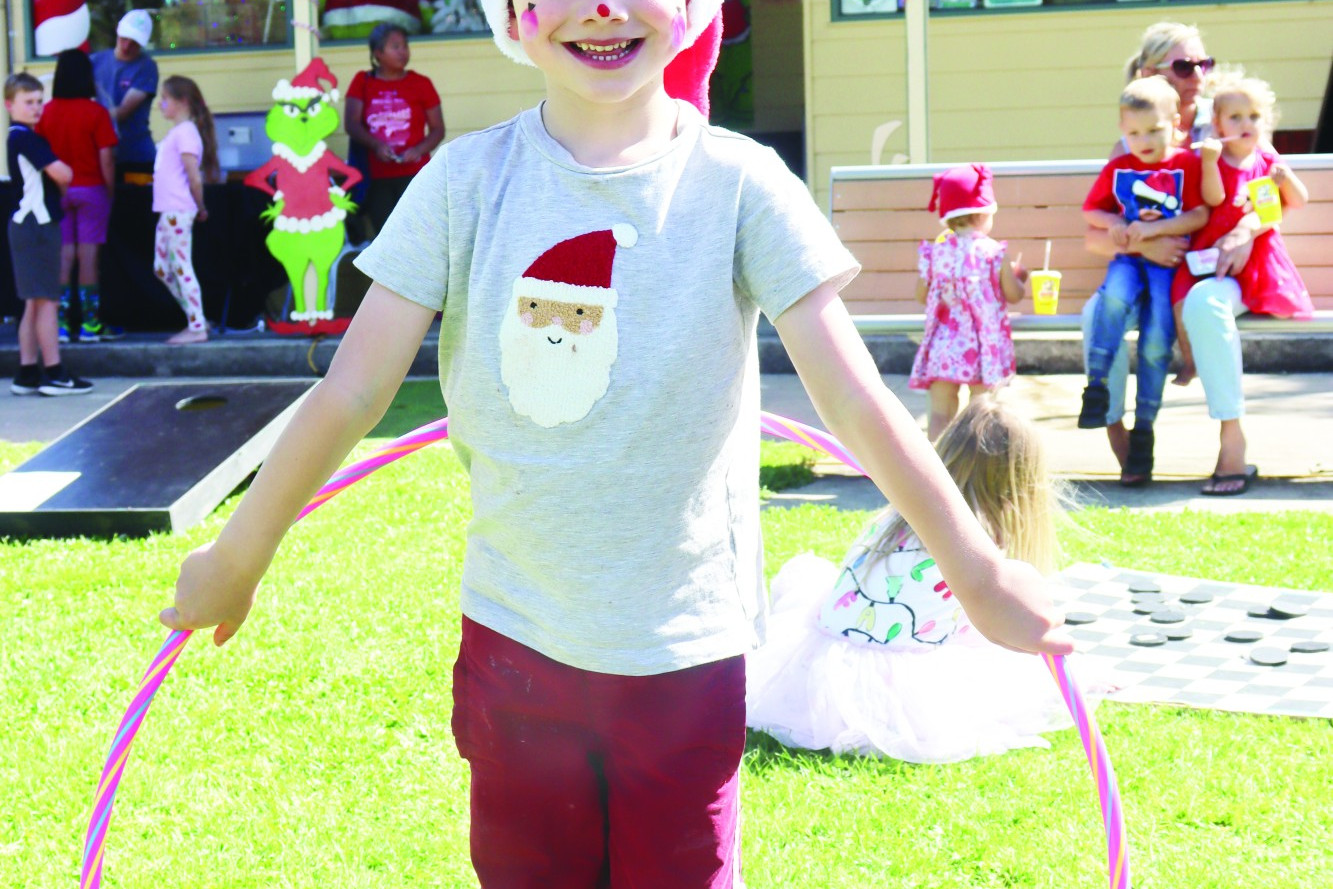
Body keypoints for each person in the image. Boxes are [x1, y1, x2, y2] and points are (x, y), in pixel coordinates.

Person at [159, 0, 1073, 884]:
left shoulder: (742, 183)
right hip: (517, 644)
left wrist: (979, 571)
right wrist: (241, 553)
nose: (600, 7)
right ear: (512, 13)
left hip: (684, 653)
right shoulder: (463, 183)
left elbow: (854, 398)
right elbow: (351, 389)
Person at [747, 399, 1091, 764]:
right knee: (1009, 658)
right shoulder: (978, 541)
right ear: (1021, 480)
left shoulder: (902, 512)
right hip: (893, 683)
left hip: (824, 660)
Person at [1083, 21, 1215, 474]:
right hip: (1142, 265)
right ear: (1148, 74)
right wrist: (1145, 246)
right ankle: (1119, 436)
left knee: (1188, 316)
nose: (1196, 74)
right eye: (1183, 65)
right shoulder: (1130, 144)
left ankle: (1195, 442)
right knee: (1098, 313)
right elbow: (1096, 228)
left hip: (1202, 268)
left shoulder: (1225, 122)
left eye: (1203, 63)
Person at [1174, 72, 1312, 496]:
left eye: (1254, 116)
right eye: (1235, 116)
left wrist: (1250, 227)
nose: (1246, 123)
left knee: (1204, 303)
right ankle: (1231, 431)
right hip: (1213, 271)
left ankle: (1231, 447)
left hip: (1258, 272)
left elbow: (1282, 206)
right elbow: (1214, 201)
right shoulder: (1204, 160)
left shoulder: (1267, 163)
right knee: (1201, 303)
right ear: (1217, 124)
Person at [910, 164, 1026, 440]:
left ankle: (938, 466)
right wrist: (1019, 277)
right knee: (981, 411)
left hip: (944, 345)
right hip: (982, 349)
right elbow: (1013, 295)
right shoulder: (993, 253)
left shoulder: (935, 253)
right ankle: (972, 469)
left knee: (940, 411)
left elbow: (921, 296)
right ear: (985, 213)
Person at [6, 72, 91, 396]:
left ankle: (28, 372)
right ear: (9, 104)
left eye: (40, 101)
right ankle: (55, 373)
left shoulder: (20, 137)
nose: (36, 108)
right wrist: (62, 176)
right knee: (47, 303)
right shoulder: (26, 138)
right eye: (28, 102)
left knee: (33, 302)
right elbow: (63, 173)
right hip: (36, 227)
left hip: (25, 226)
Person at [36, 49, 118, 345]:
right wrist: (109, 191)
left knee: (64, 254)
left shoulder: (45, 112)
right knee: (88, 256)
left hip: (58, 189)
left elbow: (40, 155)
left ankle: (59, 325)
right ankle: (90, 325)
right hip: (91, 187)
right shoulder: (96, 113)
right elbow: (106, 157)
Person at [344, 23, 444, 239]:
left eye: (405, 46)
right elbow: (351, 124)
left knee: (420, 236)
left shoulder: (421, 83)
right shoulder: (362, 82)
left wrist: (418, 150)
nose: (403, 51)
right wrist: (376, 145)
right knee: (386, 238)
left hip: (416, 175)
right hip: (376, 176)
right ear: (378, 53)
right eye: (395, 46)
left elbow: (438, 129)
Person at [152, 76, 218, 345]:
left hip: (178, 210)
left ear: (182, 102)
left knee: (180, 266)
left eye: (165, 99)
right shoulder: (178, 132)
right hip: (169, 210)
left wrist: (199, 205)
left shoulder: (186, 133)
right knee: (162, 268)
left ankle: (197, 325)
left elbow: (194, 176)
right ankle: (195, 316)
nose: (160, 104)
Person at [91, 9, 159, 177]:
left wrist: (88, 119)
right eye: (124, 39)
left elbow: (123, 112)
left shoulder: (146, 67)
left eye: (134, 42)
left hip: (135, 154)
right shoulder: (94, 61)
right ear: (117, 31)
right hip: (100, 153)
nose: (127, 46)